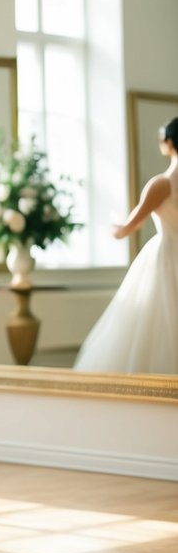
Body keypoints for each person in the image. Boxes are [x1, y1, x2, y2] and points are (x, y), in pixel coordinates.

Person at [75, 116, 178, 374]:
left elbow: (128, 228)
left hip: (167, 256)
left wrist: (115, 228)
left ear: (168, 142)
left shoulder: (162, 183)